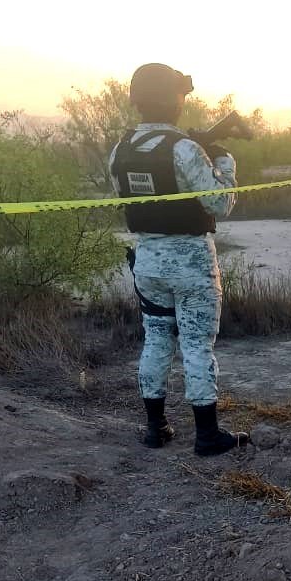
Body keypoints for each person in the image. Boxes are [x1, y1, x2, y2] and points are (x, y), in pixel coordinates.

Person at [109, 63, 248, 457]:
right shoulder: (185, 148)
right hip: (189, 261)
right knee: (197, 345)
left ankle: (156, 428)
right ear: (174, 101)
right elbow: (219, 203)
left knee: (155, 339)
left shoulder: (121, 148)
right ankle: (207, 436)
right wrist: (223, 162)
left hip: (148, 259)